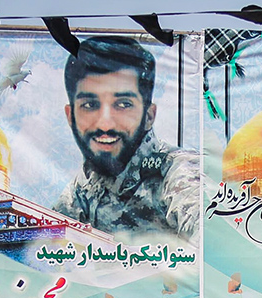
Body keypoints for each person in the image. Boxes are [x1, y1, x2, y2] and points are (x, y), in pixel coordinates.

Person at [55, 36, 199, 241]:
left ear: (149, 116)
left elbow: (210, 236)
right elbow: (43, 247)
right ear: (71, 116)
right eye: (89, 105)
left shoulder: (179, 172)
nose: (105, 124)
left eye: (123, 104)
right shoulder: (84, 186)